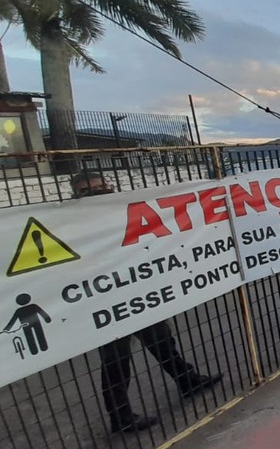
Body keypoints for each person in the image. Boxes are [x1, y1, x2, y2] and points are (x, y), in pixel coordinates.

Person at [71, 172, 223, 433]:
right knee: (116, 361)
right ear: (75, 194)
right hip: (105, 301)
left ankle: (188, 381)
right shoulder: (70, 224)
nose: (95, 194)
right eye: (87, 191)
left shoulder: (121, 209)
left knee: (163, 342)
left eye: (98, 188)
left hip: (136, 292)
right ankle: (121, 417)